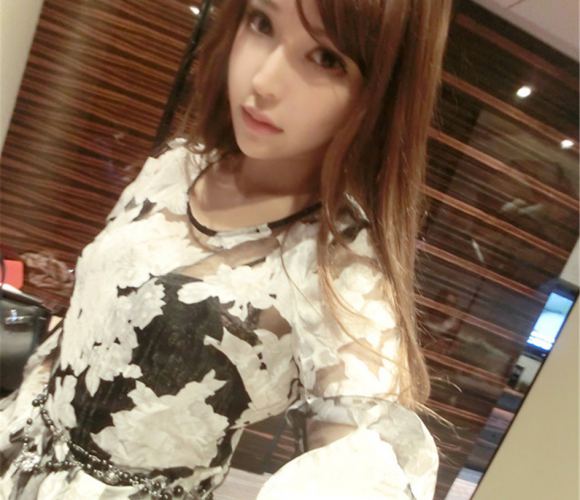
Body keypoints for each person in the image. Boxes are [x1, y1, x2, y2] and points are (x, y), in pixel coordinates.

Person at [0, 0, 452, 498]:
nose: (264, 81)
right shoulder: (176, 166)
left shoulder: (341, 265)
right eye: (262, 23)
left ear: (378, 95)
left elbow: (364, 459)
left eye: (326, 59)